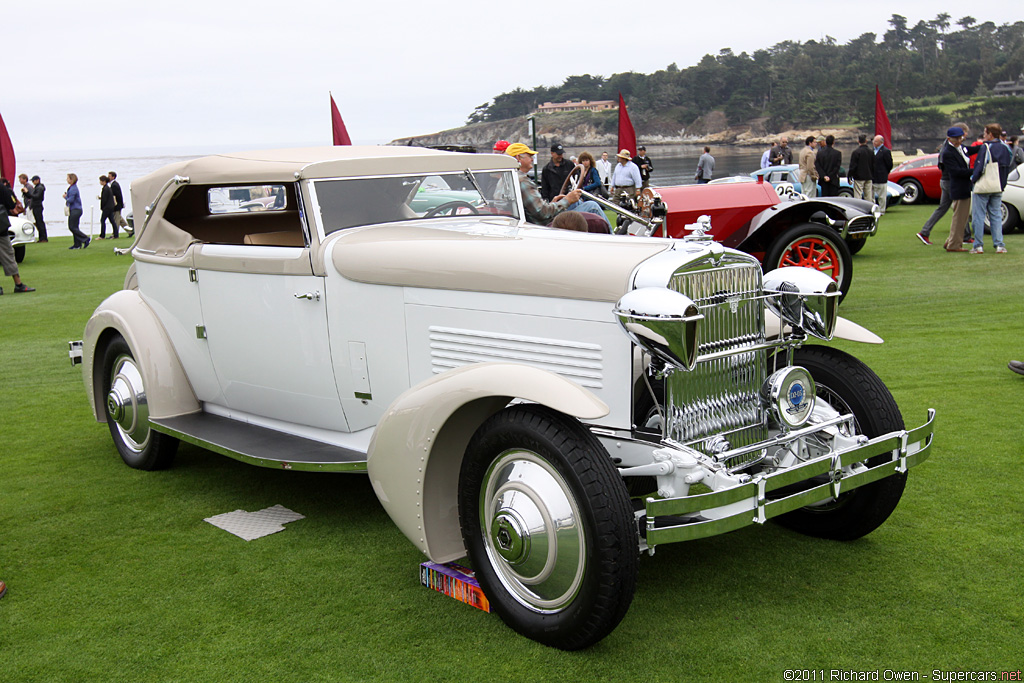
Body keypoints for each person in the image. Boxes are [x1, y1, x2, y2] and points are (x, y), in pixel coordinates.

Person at [506, 143, 608, 229]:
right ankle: (613, 237)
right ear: (518, 158)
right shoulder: (523, 181)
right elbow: (542, 213)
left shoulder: (508, 179)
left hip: (535, 219)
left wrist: (554, 202)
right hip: (544, 225)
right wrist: (567, 200)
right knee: (592, 206)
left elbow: (538, 209)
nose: (532, 159)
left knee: (577, 203)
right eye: (529, 156)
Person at [969, 122, 1013, 254]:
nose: (983, 135)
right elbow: (1008, 164)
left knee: (979, 215)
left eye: (985, 133)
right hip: (998, 185)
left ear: (990, 134)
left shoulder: (986, 147)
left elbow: (980, 166)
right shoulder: (1006, 148)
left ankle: (978, 245)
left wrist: (973, 179)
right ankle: (999, 244)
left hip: (984, 185)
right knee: (996, 215)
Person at [935, 127, 973, 252]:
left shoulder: (960, 148)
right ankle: (954, 245)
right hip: (958, 187)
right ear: (949, 139)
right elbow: (956, 172)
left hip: (964, 186)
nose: (959, 140)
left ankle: (951, 241)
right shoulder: (947, 152)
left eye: (960, 137)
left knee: (961, 217)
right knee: (960, 218)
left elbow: (971, 150)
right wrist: (975, 171)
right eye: (956, 138)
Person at [0, 179, 36, 294]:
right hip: (1, 228)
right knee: (9, 255)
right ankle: (18, 284)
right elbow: (11, 204)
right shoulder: (2, 187)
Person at [64, 173, 89, 249]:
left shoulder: (73, 188)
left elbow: (71, 200)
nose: (66, 180)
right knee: (75, 227)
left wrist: (65, 197)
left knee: (72, 227)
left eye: (68, 178)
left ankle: (85, 238)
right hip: (75, 209)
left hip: (76, 209)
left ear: (71, 180)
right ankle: (77, 244)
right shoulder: (72, 188)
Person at [871, 135, 894, 214]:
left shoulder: (885, 151)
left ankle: (882, 210)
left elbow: (889, 164)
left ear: (881, 142)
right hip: (872, 177)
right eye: (873, 141)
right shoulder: (871, 151)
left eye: (876, 141)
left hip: (881, 177)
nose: (874, 143)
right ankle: (873, 210)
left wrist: (884, 172)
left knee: (882, 196)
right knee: (871, 195)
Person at [847, 134, 873, 201]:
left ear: (858, 141)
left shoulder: (856, 152)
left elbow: (853, 166)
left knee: (858, 194)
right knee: (868, 195)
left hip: (859, 177)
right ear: (866, 141)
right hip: (869, 176)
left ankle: (858, 208)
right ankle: (868, 208)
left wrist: (849, 175)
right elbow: (874, 164)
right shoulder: (871, 152)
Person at [108, 171, 127, 235]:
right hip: (118, 205)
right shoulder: (113, 184)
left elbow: (116, 196)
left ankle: (115, 233)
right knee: (120, 219)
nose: (108, 178)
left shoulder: (114, 185)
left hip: (117, 205)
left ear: (113, 177)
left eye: (109, 176)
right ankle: (130, 231)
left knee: (116, 220)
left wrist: (115, 205)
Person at [29, 175, 47, 242]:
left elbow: (36, 196)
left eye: (34, 181)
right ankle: (42, 237)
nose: (33, 182)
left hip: (38, 206)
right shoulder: (37, 187)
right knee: (38, 222)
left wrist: (29, 193)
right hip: (36, 206)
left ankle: (43, 238)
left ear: (37, 180)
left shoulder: (39, 188)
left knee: (40, 222)